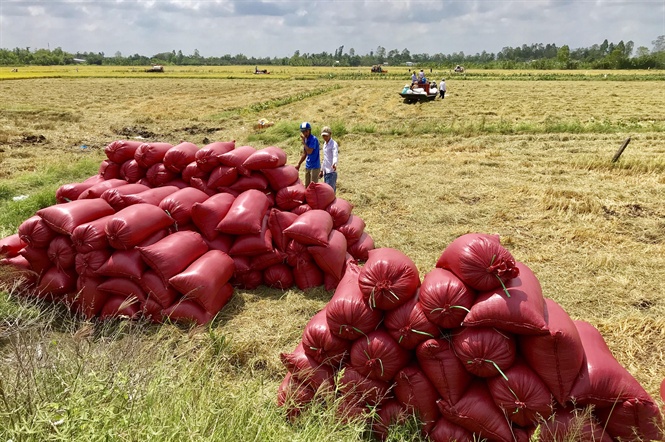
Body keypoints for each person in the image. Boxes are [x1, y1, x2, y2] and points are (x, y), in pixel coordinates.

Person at [296, 121, 320, 187]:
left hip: (315, 166)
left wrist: (304, 143)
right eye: (303, 132)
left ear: (309, 130)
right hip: (308, 166)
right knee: (307, 186)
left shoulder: (313, 139)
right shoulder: (306, 140)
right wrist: (299, 164)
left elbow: (309, 151)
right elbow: (305, 154)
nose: (305, 133)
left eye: (306, 131)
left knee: (313, 186)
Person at [318, 126, 339, 193]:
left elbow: (335, 155)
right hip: (326, 172)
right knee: (327, 192)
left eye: (326, 136)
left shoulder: (333, 144)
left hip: (331, 171)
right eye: (323, 136)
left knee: (330, 192)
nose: (325, 137)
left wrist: (334, 163)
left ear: (330, 134)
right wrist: (322, 170)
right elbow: (325, 158)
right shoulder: (325, 144)